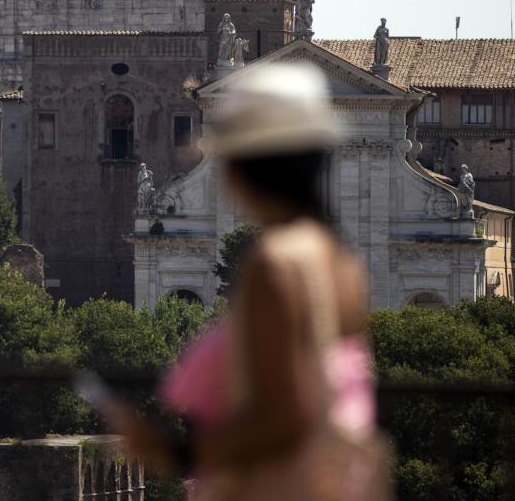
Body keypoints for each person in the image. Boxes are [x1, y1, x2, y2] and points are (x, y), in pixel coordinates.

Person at [114, 62, 388, 500]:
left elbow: (287, 414)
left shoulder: (276, 263)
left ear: (239, 169)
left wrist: (175, 452)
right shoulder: (341, 263)